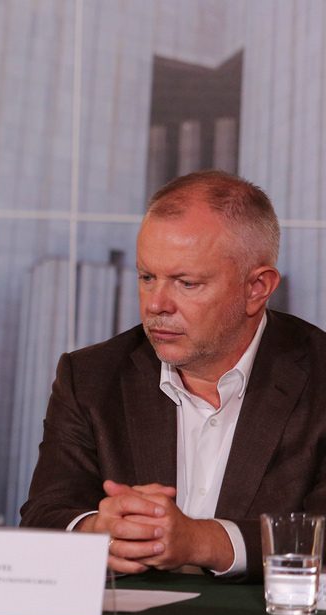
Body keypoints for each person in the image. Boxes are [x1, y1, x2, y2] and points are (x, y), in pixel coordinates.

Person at [20, 170, 326, 579]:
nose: (156, 304)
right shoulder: (90, 377)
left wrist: (202, 541)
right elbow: (45, 514)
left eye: (186, 283)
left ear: (257, 288)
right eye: (147, 277)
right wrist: (98, 531)